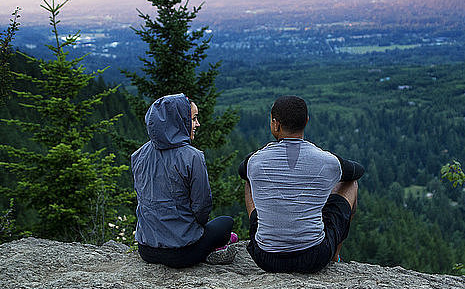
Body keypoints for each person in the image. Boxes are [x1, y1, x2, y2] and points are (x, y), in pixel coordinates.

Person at [238, 95, 364, 273]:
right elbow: (357, 171)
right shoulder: (326, 160)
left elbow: (241, 170)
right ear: (306, 121)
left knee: (249, 181)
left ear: (275, 124)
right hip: (314, 257)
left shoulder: (255, 160)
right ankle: (335, 254)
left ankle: (266, 231)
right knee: (350, 184)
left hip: (265, 257)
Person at [132, 93, 236, 268]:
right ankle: (214, 248)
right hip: (181, 253)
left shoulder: (139, 154)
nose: (197, 124)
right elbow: (202, 207)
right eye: (193, 119)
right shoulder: (192, 157)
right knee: (226, 222)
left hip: (146, 249)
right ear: (179, 121)